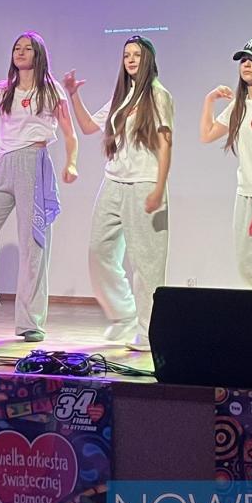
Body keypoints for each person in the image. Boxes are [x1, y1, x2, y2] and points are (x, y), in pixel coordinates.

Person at [0, 33, 79, 343]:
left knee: (33, 244)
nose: (20, 52)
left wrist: (71, 163)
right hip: (2, 165)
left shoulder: (51, 91)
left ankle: (30, 321)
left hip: (33, 163)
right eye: (16, 48)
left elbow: (70, 135)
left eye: (27, 48)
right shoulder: (3, 90)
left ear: (38, 55)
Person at [64, 36, 173, 352]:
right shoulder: (121, 97)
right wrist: (73, 94)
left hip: (145, 183)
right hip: (113, 181)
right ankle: (124, 314)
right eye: (126, 55)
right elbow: (88, 127)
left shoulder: (158, 95)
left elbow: (166, 143)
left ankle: (149, 333)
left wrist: (159, 187)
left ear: (148, 59)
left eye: (137, 54)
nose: (131, 59)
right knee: (99, 250)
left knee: (147, 263)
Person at [200, 38, 252, 289]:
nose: (246, 64)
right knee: (246, 264)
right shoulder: (238, 106)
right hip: (245, 193)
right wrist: (210, 100)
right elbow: (207, 134)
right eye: (243, 60)